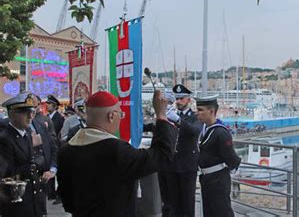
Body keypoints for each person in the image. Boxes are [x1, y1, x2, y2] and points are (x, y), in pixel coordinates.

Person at [57, 90, 175, 217]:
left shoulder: (66, 151)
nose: (121, 118)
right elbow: (161, 156)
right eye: (121, 114)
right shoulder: (116, 150)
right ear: (111, 116)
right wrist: (161, 116)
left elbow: (66, 198)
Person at [0, 93, 53, 216]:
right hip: (17, 202)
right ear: (12, 114)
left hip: (34, 198)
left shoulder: (27, 133)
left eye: (32, 111)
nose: (30, 116)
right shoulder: (5, 139)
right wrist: (33, 165)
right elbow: (7, 174)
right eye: (25, 112)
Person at [196, 95, 241, 217]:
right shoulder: (206, 130)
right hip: (207, 179)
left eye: (200, 110)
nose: (197, 113)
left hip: (218, 180)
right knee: (209, 212)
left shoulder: (220, 132)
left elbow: (232, 158)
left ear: (211, 111)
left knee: (221, 212)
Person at [169, 84, 202, 216]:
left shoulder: (195, 117)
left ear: (189, 99)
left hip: (188, 165)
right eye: (177, 98)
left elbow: (194, 131)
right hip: (173, 164)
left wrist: (178, 120)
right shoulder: (171, 115)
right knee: (173, 202)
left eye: (182, 98)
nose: (178, 101)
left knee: (187, 202)